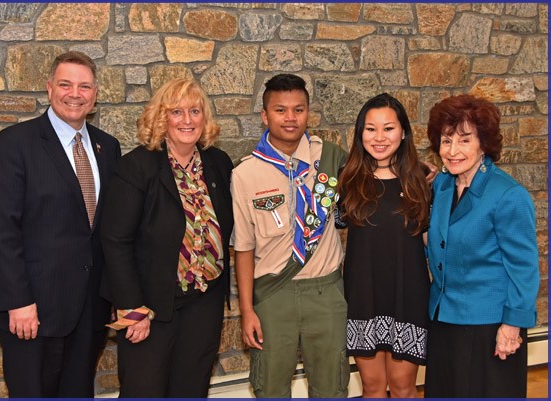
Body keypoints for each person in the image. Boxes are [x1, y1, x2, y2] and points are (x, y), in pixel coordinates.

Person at [0, 51, 121, 397]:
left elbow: (107, 229)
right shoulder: (16, 143)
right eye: (66, 84)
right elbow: (1, 230)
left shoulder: (109, 147)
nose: (75, 93)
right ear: (49, 88)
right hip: (32, 310)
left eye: (84, 86)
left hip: (89, 310)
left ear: (95, 94)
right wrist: (19, 301)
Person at [99, 78, 234, 398]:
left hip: (204, 303)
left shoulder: (218, 163)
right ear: (162, 117)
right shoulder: (136, 166)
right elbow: (116, 241)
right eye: (177, 111)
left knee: (192, 389)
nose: (187, 120)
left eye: (195, 111)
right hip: (151, 308)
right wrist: (132, 310)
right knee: (144, 390)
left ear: (205, 117)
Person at [231, 73, 350, 398]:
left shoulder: (331, 159)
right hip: (272, 296)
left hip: (325, 292)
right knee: (270, 388)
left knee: (331, 387)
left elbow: (374, 183)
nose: (290, 118)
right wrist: (248, 310)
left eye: (298, 109)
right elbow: (243, 248)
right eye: (281, 110)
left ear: (308, 112)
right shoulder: (245, 174)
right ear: (265, 116)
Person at [424, 94, 540, 397]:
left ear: (483, 143)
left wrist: (512, 326)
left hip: (489, 327)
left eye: (464, 140)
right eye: (446, 140)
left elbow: (525, 268)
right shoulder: (443, 185)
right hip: (444, 319)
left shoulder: (509, 195)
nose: (452, 151)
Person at [338, 93, 431, 398]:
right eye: (370, 128)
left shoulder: (423, 180)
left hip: (409, 296)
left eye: (388, 128)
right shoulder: (346, 180)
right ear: (360, 133)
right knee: (373, 387)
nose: (379, 138)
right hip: (364, 296)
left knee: (404, 387)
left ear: (403, 132)